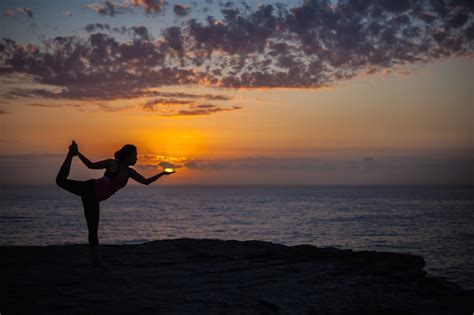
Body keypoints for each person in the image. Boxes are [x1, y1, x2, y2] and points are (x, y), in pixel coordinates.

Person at [55, 141, 175, 267]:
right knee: (60, 181)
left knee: (93, 230)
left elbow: (146, 182)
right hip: (89, 188)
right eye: (135, 155)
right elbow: (90, 165)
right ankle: (70, 153)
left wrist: (162, 173)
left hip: (94, 199)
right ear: (128, 156)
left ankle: (95, 261)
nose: (137, 158)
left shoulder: (130, 172)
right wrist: (77, 153)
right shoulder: (112, 164)